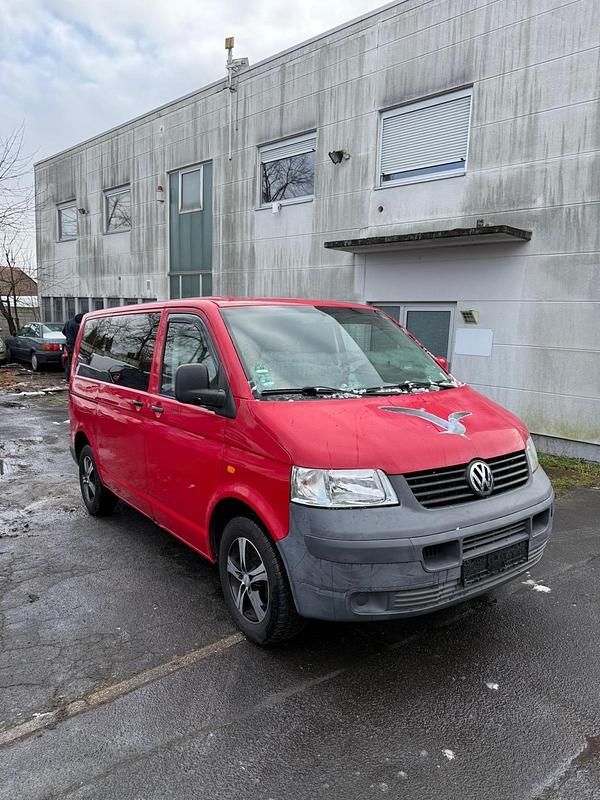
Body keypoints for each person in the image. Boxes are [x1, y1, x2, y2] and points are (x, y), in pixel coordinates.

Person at [62, 312, 83, 378]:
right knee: (72, 362)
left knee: (69, 361)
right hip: (73, 345)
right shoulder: (76, 325)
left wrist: (68, 337)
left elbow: (63, 331)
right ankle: (70, 377)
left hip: (68, 344)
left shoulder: (67, 322)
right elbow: (78, 336)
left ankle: (67, 376)